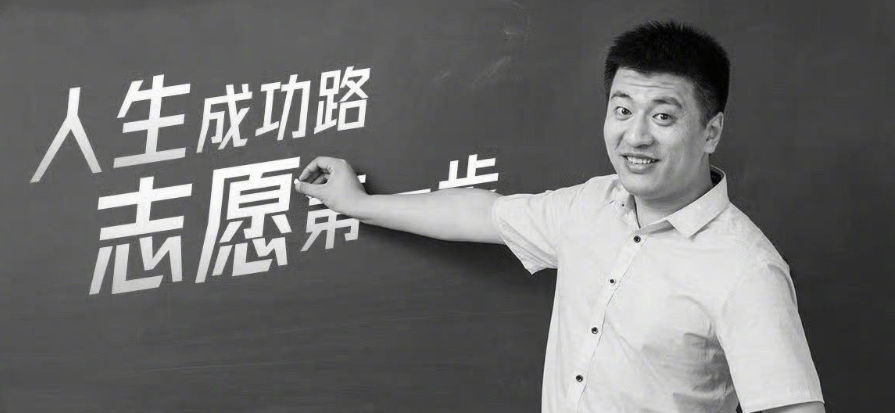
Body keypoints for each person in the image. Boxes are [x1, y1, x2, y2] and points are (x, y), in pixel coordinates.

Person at [293, 21, 824, 413]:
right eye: (622, 110)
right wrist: (357, 204)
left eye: (663, 116)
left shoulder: (746, 270)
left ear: (711, 131)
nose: (636, 135)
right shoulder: (592, 204)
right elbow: (478, 213)